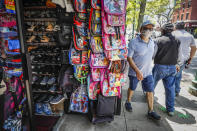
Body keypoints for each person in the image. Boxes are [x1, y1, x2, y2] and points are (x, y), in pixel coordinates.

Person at [125, 20, 161, 120]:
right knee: (132, 88)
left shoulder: (152, 42)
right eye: (146, 28)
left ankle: (151, 111)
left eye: (151, 29)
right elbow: (129, 58)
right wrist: (137, 71)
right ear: (141, 29)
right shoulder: (133, 42)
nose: (148, 31)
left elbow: (151, 56)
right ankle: (128, 101)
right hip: (134, 72)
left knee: (150, 91)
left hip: (148, 73)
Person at [153, 23, 181, 116]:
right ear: (172, 30)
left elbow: (153, 55)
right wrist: (178, 64)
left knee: (152, 84)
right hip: (172, 67)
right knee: (170, 89)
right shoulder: (177, 40)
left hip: (160, 66)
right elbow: (180, 56)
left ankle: (150, 103)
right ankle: (170, 109)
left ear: (163, 30)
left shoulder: (158, 40)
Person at [172, 21, 197, 97]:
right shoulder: (190, 35)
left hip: (172, 58)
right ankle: (176, 90)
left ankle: (172, 91)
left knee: (172, 75)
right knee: (178, 75)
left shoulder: (172, 34)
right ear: (184, 26)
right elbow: (194, 48)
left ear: (176, 26)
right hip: (184, 59)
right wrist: (190, 59)